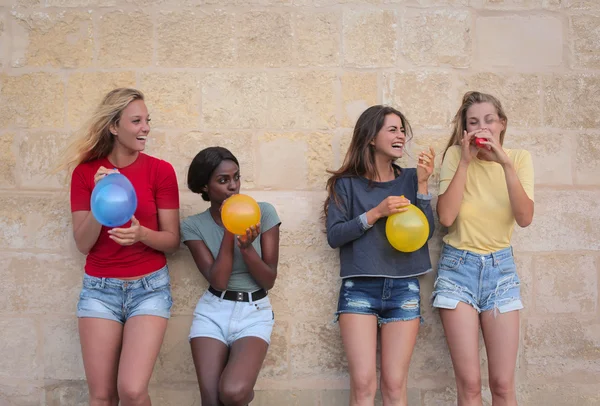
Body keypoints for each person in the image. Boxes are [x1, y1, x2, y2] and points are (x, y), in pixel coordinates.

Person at [61, 88, 180, 406]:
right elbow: (83, 244)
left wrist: (142, 234)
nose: (146, 128)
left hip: (149, 289)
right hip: (100, 291)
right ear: (114, 126)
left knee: (131, 389)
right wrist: (102, 196)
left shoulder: (160, 171)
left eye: (147, 120)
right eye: (137, 121)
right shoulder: (86, 173)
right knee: (101, 396)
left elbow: (172, 240)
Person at [324, 105, 436, 406]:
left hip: (404, 288)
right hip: (359, 287)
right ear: (371, 137)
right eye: (393, 129)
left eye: (402, 130)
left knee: (395, 386)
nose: (401, 135)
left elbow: (425, 233)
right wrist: (375, 213)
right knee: (362, 385)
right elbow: (335, 236)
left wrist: (423, 185)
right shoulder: (345, 184)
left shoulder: (412, 178)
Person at [432, 91, 534, 406]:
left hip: (501, 272)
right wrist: (464, 160)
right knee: (471, 384)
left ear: (501, 124)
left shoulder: (518, 159)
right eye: (473, 122)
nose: (482, 128)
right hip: (457, 270)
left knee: (502, 384)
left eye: (489, 120)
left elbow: (525, 218)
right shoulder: (453, 156)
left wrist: (503, 162)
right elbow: (446, 217)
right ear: (465, 130)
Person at [180, 146, 281, 406]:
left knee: (234, 392)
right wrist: (230, 227)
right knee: (212, 400)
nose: (233, 186)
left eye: (236, 177)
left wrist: (247, 249)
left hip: (254, 312)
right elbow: (219, 281)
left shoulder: (264, 212)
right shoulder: (193, 226)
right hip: (213, 311)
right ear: (204, 187)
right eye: (223, 180)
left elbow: (268, 279)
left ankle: (243, 395)